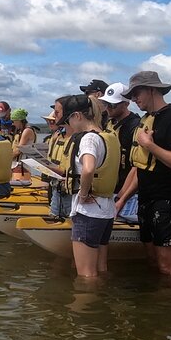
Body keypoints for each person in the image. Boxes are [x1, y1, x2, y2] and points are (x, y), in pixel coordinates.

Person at [116, 71, 171, 276]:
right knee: (151, 260)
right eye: (131, 95)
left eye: (136, 93)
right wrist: (122, 200)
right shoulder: (147, 119)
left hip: (167, 200)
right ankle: (156, 305)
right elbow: (141, 167)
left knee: (167, 266)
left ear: (152, 90)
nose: (133, 99)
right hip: (146, 199)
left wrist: (150, 145)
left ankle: (170, 303)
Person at [57, 94, 120, 277]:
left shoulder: (88, 139)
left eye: (68, 120)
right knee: (100, 268)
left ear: (77, 116)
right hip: (106, 210)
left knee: (86, 275)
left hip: (89, 212)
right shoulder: (108, 136)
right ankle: (100, 302)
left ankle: (84, 305)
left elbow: (88, 168)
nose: (68, 125)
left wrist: (83, 194)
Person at [99, 82, 141, 222]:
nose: (109, 108)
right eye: (106, 104)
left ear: (126, 104)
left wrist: (121, 197)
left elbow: (137, 166)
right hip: (110, 187)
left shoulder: (135, 126)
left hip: (127, 191)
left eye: (113, 105)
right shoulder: (109, 123)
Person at [10, 108, 37, 182]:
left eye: (14, 121)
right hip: (17, 165)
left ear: (19, 120)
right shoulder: (21, 131)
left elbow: (19, 150)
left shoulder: (27, 131)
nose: (13, 124)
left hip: (22, 167)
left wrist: (6, 159)